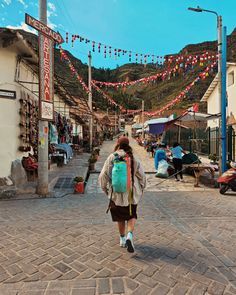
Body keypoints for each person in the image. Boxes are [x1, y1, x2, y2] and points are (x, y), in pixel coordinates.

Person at [99, 136, 146, 253]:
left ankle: (122, 239)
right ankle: (130, 235)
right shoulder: (134, 158)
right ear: (129, 145)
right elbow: (142, 176)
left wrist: (105, 189)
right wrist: (142, 188)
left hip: (117, 194)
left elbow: (103, 176)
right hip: (131, 194)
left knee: (120, 217)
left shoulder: (112, 157)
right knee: (131, 215)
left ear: (118, 144)